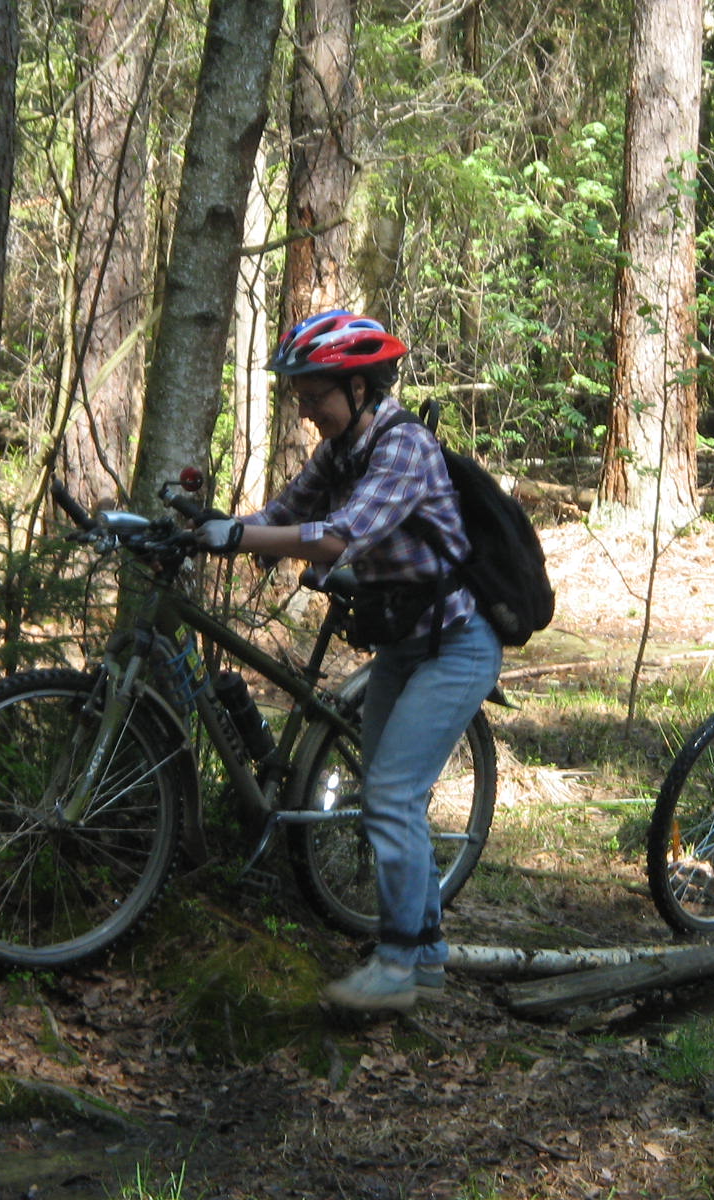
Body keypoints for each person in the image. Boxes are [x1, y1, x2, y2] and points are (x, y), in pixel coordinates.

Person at [193, 309, 503, 1012]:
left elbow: (340, 536)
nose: (306, 412)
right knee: (389, 795)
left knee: (391, 795)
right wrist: (213, 528)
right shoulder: (340, 451)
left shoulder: (405, 447)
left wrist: (240, 538)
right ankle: (426, 959)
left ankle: (394, 968)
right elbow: (283, 513)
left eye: (315, 397)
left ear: (360, 388)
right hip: (403, 644)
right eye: (299, 397)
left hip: (457, 645)